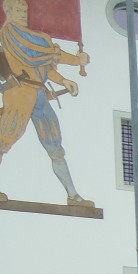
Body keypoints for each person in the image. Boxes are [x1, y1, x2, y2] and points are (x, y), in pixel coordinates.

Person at [0, 0, 93, 207]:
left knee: (54, 145)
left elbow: (45, 67)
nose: (24, 13)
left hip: (39, 95)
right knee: (4, 139)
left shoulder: (37, 38)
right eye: (18, 9)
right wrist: (76, 60)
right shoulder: (10, 34)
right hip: (18, 94)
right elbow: (39, 54)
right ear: (8, 11)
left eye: (25, 9)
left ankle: (73, 196)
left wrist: (63, 81)